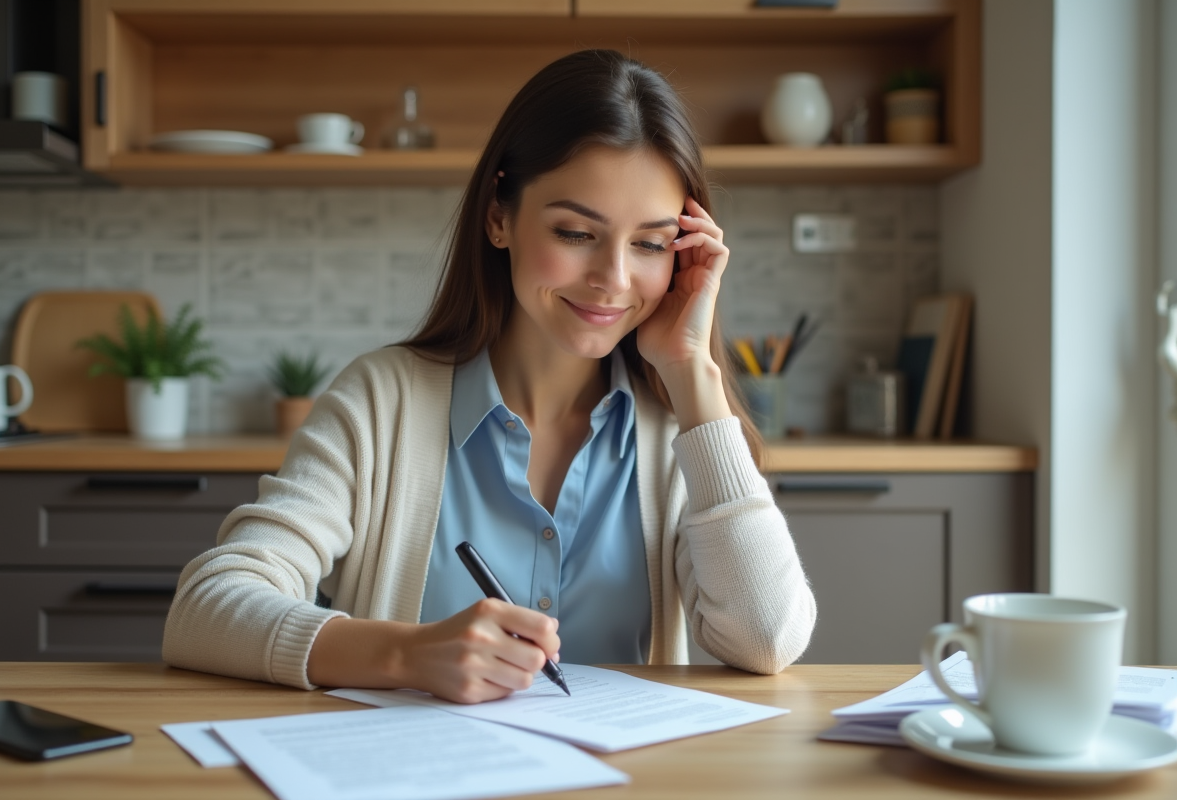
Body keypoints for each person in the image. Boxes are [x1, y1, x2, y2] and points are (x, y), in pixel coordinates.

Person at [163, 49, 816, 704]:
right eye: (575, 232)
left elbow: (767, 640)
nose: (614, 279)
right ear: (499, 217)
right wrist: (406, 654)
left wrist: (693, 376)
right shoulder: (378, 403)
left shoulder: (682, 433)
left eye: (649, 243)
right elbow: (206, 609)